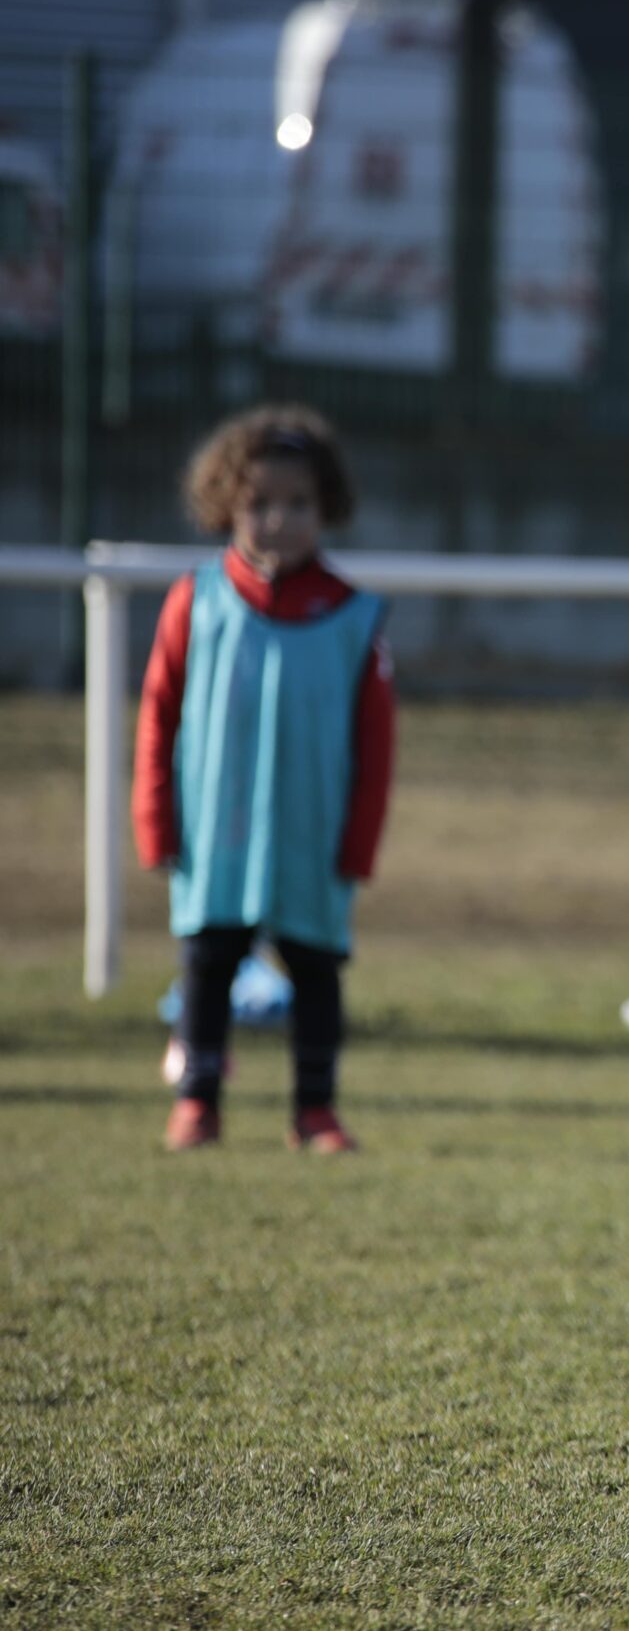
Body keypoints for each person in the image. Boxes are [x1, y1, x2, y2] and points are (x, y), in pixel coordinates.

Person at [137, 405, 396, 1154]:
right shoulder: (199, 601)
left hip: (312, 830)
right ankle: (198, 1100)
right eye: (259, 504)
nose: (278, 520)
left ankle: (314, 1108)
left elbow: (378, 743)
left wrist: (360, 839)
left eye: (298, 504)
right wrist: (156, 820)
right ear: (226, 504)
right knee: (209, 961)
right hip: (217, 827)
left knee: (316, 967)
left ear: (328, 507)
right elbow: (159, 714)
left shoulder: (353, 618)